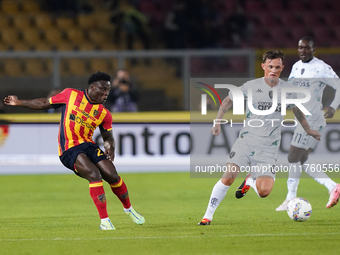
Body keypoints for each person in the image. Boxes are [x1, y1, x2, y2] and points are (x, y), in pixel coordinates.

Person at [3, 71, 145, 230]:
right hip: (68, 148)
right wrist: (18, 102)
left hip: (88, 145)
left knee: (112, 175)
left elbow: (108, 136)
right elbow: (44, 103)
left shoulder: (104, 113)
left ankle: (129, 209)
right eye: (103, 90)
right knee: (94, 174)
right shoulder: (70, 94)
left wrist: (110, 147)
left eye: (108, 91)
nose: (105, 94)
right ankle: (105, 221)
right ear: (92, 87)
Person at [198, 50, 321, 225]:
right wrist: (217, 122)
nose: (273, 70)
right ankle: (207, 216)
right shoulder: (251, 86)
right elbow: (227, 101)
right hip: (246, 141)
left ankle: (251, 179)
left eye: (277, 67)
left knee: (264, 192)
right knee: (228, 177)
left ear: (282, 68)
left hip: (268, 148)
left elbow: (296, 109)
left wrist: (308, 129)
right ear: (263, 66)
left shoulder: (287, 89)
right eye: (270, 66)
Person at [276, 37, 340, 211]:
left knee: (292, 157)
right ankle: (333, 186)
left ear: (313, 49)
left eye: (306, 48)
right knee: (302, 159)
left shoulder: (321, 68)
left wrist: (334, 106)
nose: (303, 51)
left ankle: (290, 198)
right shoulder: (296, 66)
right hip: (302, 119)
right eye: (300, 48)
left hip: (313, 119)